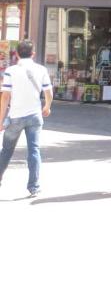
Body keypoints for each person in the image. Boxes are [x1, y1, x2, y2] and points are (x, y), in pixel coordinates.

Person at [0, 41, 52, 197]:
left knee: (6, 151)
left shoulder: (11, 71)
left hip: (15, 116)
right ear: (33, 53)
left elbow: (5, 97)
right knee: (34, 151)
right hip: (35, 116)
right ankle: (34, 186)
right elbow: (48, 92)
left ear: (16, 54)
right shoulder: (41, 69)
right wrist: (47, 106)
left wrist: (1, 119)